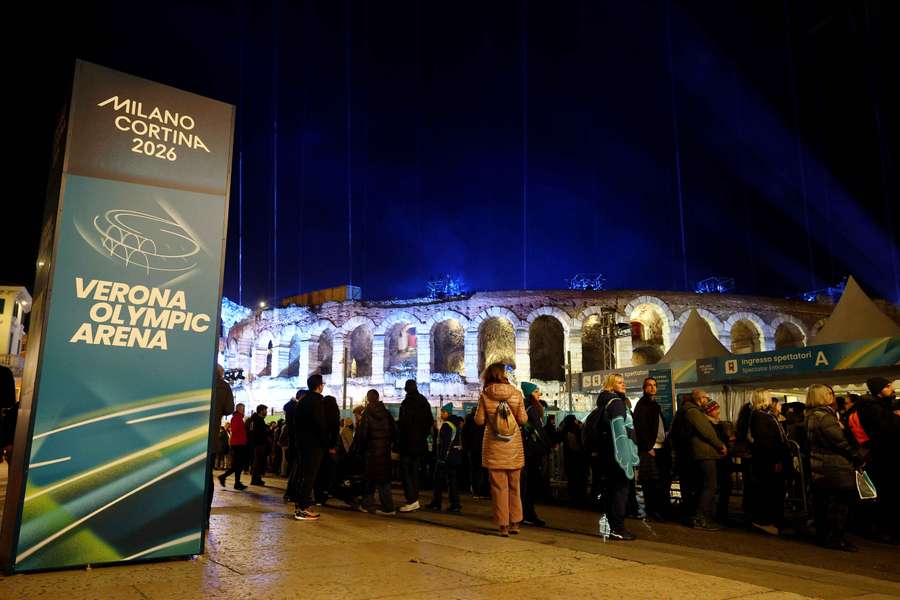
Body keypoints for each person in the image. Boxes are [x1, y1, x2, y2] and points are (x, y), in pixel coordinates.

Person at [805, 384, 864, 551]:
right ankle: (835, 539)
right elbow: (840, 442)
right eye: (829, 393)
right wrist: (856, 456)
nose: (832, 396)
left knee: (823, 504)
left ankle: (823, 536)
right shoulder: (825, 417)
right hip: (834, 465)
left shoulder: (810, 415)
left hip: (819, 464)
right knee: (838, 505)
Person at [475, 363, 528, 537]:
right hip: (513, 447)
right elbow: (523, 419)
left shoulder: (485, 395)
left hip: (494, 447)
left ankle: (503, 525)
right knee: (515, 487)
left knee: (499, 488)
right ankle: (515, 523)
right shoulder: (516, 393)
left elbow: (479, 421)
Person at [671, 389, 727, 530]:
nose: (707, 400)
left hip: (692, 455)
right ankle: (701, 518)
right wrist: (720, 445)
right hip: (704, 453)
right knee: (710, 486)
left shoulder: (684, 410)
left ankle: (699, 516)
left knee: (702, 486)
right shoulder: (693, 411)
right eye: (705, 398)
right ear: (700, 399)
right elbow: (706, 432)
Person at [595, 374, 640, 540]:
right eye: (619, 383)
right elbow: (619, 431)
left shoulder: (605, 402)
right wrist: (626, 457)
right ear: (611, 385)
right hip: (618, 454)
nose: (624, 385)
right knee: (620, 490)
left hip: (608, 453)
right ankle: (618, 528)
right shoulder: (616, 403)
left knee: (612, 490)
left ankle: (613, 526)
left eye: (623, 382)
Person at [748, 389, 789, 535]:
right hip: (768, 461)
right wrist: (776, 459)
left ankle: (776, 520)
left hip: (771, 459)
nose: (771, 399)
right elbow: (765, 441)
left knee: (775, 491)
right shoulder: (759, 416)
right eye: (769, 397)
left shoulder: (765, 415)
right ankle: (767, 521)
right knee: (770, 491)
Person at [633, 377, 671, 520]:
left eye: (654, 385)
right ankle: (652, 511)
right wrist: (647, 447)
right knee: (651, 482)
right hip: (650, 449)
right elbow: (640, 427)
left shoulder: (655, 405)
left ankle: (660, 510)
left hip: (660, 447)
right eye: (649, 385)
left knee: (660, 481)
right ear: (644, 388)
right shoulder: (642, 405)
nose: (652, 387)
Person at [293, 374, 329, 521]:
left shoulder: (303, 401)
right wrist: (326, 443)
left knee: (304, 475)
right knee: (309, 476)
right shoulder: (316, 401)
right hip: (313, 445)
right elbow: (320, 425)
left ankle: (301, 505)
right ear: (319, 386)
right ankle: (302, 509)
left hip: (303, 444)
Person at [357, 389, 398, 515]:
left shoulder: (367, 413)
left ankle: (371, 505)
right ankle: (385, 506)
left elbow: (363, 434)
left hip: (371, 451)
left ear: (368, 399)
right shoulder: (386, 412)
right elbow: (394, 430)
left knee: (370, 478)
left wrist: (360, 448)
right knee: (383, 479)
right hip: (384, 450)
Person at [397, 379, 434, 513]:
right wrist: (422, 436)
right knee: (415, 472)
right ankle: (415, 499)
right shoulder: (423, 401)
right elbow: (429, 421)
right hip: (419, 444)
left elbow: (403, 425)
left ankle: (411, 500)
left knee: (406, 472)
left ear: (406, 389)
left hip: (408, 444)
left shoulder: (406, 403)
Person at [207, 364, 234, 523]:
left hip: (191, 437)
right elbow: (229, 409)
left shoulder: (199, 380)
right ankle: (205, 517)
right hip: (210, 438)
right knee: (207, 477)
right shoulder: (224, 386)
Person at [520, 381, 549, 527]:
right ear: (530, 393)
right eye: (536, 391)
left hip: (526, 449)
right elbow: (539, 429)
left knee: (526, 483)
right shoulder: (532, 409)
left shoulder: (524, 407)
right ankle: (528, 514)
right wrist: (548, 445)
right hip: (533, 451)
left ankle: (524, 513)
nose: (540, 394)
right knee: (531, 484)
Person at [427, 403, 464, 512]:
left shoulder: (446, 425)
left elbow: (444, 443)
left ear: (447, 413)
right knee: (452, 481)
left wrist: (441, 458)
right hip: (454, 457)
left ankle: (436, 503)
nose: (441, 414)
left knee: (438, 480)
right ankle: (455, 504)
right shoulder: (456, 425)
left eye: (442, 412)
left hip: (445, 458)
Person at [704, 400, 735, 525]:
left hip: (724, 460)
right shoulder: (708, 425)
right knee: (715, 487)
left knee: (726, 487)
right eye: (715, 409)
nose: (718, 412)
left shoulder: (720, 424)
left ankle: (722, 514)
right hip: (717, 460)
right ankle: (713, 515)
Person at [314, 395, 341, 505]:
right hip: (329, 448)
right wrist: (332, 447)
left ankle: (318, 496)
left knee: (318, 473)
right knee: (327, 472)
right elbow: (334, 433)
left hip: (318, 447)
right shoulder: (334, 416)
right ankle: (325, 493)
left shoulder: (319, 414)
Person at [559, 414, 588, 507]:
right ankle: (580, 500)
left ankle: (573, 500)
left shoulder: (565, 431)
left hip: (569, 460)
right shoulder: (578, 430)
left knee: (572, 482)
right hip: (579, 460)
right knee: (580, 481)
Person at [219, 403, 248, 490]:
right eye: (243, 409)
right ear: (239, 409)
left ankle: (236, 482)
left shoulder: (238, 418)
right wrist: (242, 438)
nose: (244, 410)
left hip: (239, 443)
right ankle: (225, 477)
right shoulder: (236, 418)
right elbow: (235, 430)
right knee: (238, 465)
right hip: (238, 444)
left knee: (238, 465)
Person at [283, 390, 303, 502]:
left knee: (295, 469)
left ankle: (291, 493)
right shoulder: (295, 408)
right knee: (296, 469)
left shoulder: (290, 408)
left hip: (293, 443)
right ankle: (292, 493)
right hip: (296, 443)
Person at [463, 405, 487, 498]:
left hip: (472, 450)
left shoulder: (467, 423)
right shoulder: (484, 422)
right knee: (484, 471)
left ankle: (475, 492)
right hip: (483, 450)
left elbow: (464, 437)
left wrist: (466, 449)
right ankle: (484, 492)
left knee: (474, 471)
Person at [248, 404, 269, 486]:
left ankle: (257, 479)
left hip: (258, 444)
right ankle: (255, 480)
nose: (266, 412)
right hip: (258, 444)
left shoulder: (256, 419)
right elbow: (255, 433)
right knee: (257, 463)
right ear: (261, 411)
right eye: (265, 410)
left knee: (258, 462)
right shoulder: (257, 420)